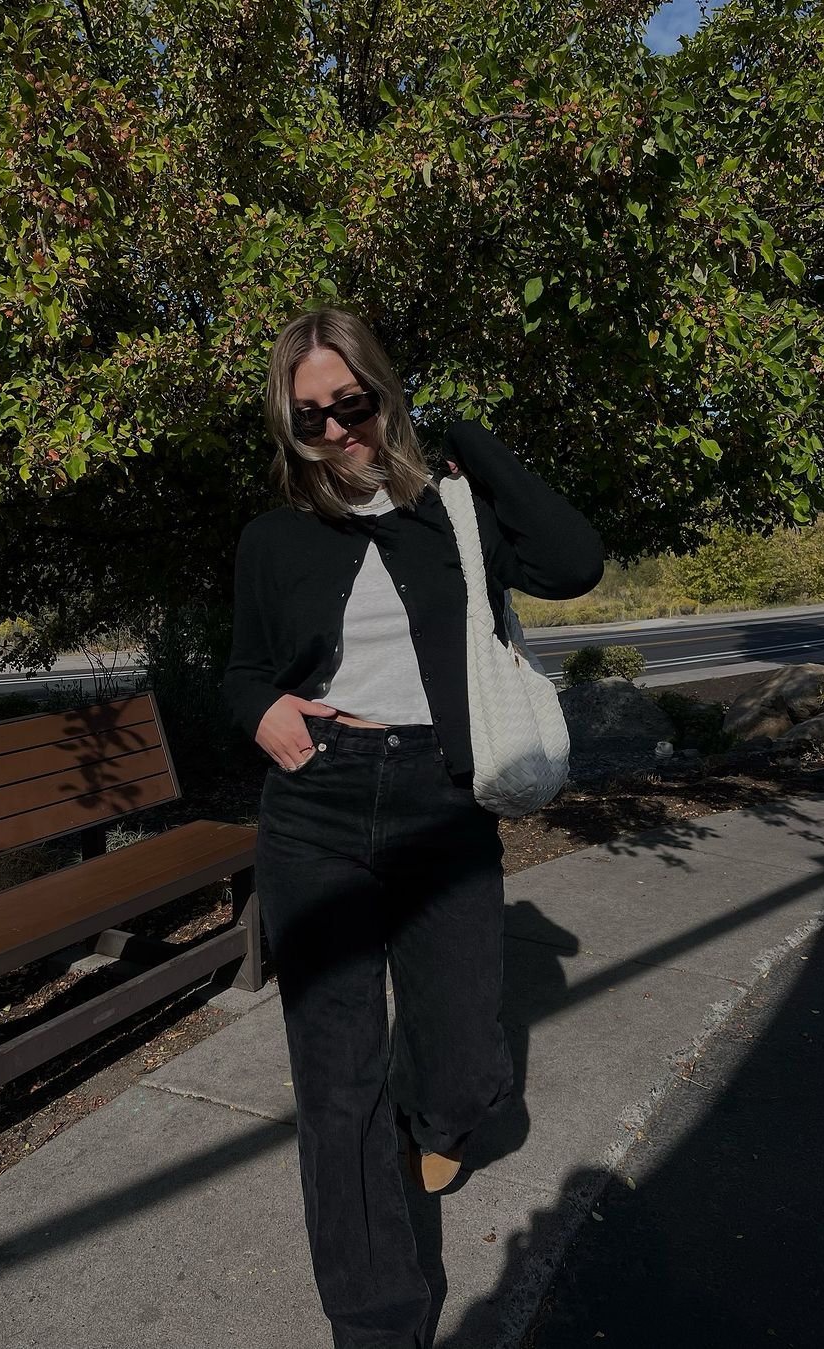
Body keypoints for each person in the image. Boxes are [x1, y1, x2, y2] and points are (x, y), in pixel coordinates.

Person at [223, 306, 603, 1349]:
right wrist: (260, 711)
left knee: (468, 1064)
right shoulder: (274, 537)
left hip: (444, 802)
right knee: (335, 1082)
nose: (335, 430)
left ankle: (431, 1120)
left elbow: (574, 561)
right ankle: (379, 1322)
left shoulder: (452, 515)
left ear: (384, 394)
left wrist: (465, 437)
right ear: (290, 427)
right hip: (316, 804)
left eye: (351, 403)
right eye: (309, 417)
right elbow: (243, 669)